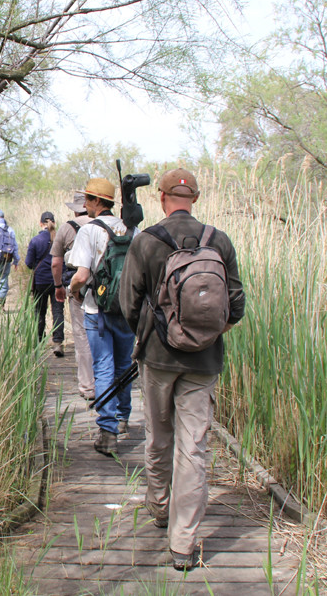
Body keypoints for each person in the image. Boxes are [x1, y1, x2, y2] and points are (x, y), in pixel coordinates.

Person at [119, 168, 245, 572]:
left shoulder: (147, 241)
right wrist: (205, 335)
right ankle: (184, 543)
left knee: (159, 437)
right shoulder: (218, 240)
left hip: (157, 358)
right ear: (196, 197)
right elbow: (236, 306)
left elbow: (129, 306)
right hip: (204, 361)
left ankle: (159, 507)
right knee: (194, 449)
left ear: (161, 198)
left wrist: (157, 332)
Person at [66, 178, 136, 457]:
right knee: (123, 367)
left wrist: (73, 291)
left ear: (98, 202)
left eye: (88, 199)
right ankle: (122, 419)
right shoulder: (133, 230)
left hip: (97, 310)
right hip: (127, 311)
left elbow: (82, 276)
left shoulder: (89, 231)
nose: (85, 204)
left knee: (104, 368)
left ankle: (107, 432)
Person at [51, 193, 95, 395]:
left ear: (76, 209)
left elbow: (56, 262)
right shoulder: (108, 225)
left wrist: (59, 285)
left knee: (81, 334)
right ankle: (107, 381)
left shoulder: (67, 228)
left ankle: (88, 386)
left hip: (78, 289)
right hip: (106, 290)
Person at [25, 212, 64, 354]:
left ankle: (38, 342)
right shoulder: (60, 239)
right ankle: (58, 343)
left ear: (41, 223)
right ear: (54, 222)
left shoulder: (35, 240)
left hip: (40, 281)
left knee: (39, 312)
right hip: (57, 281)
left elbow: (29, 263)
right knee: (58, 311)